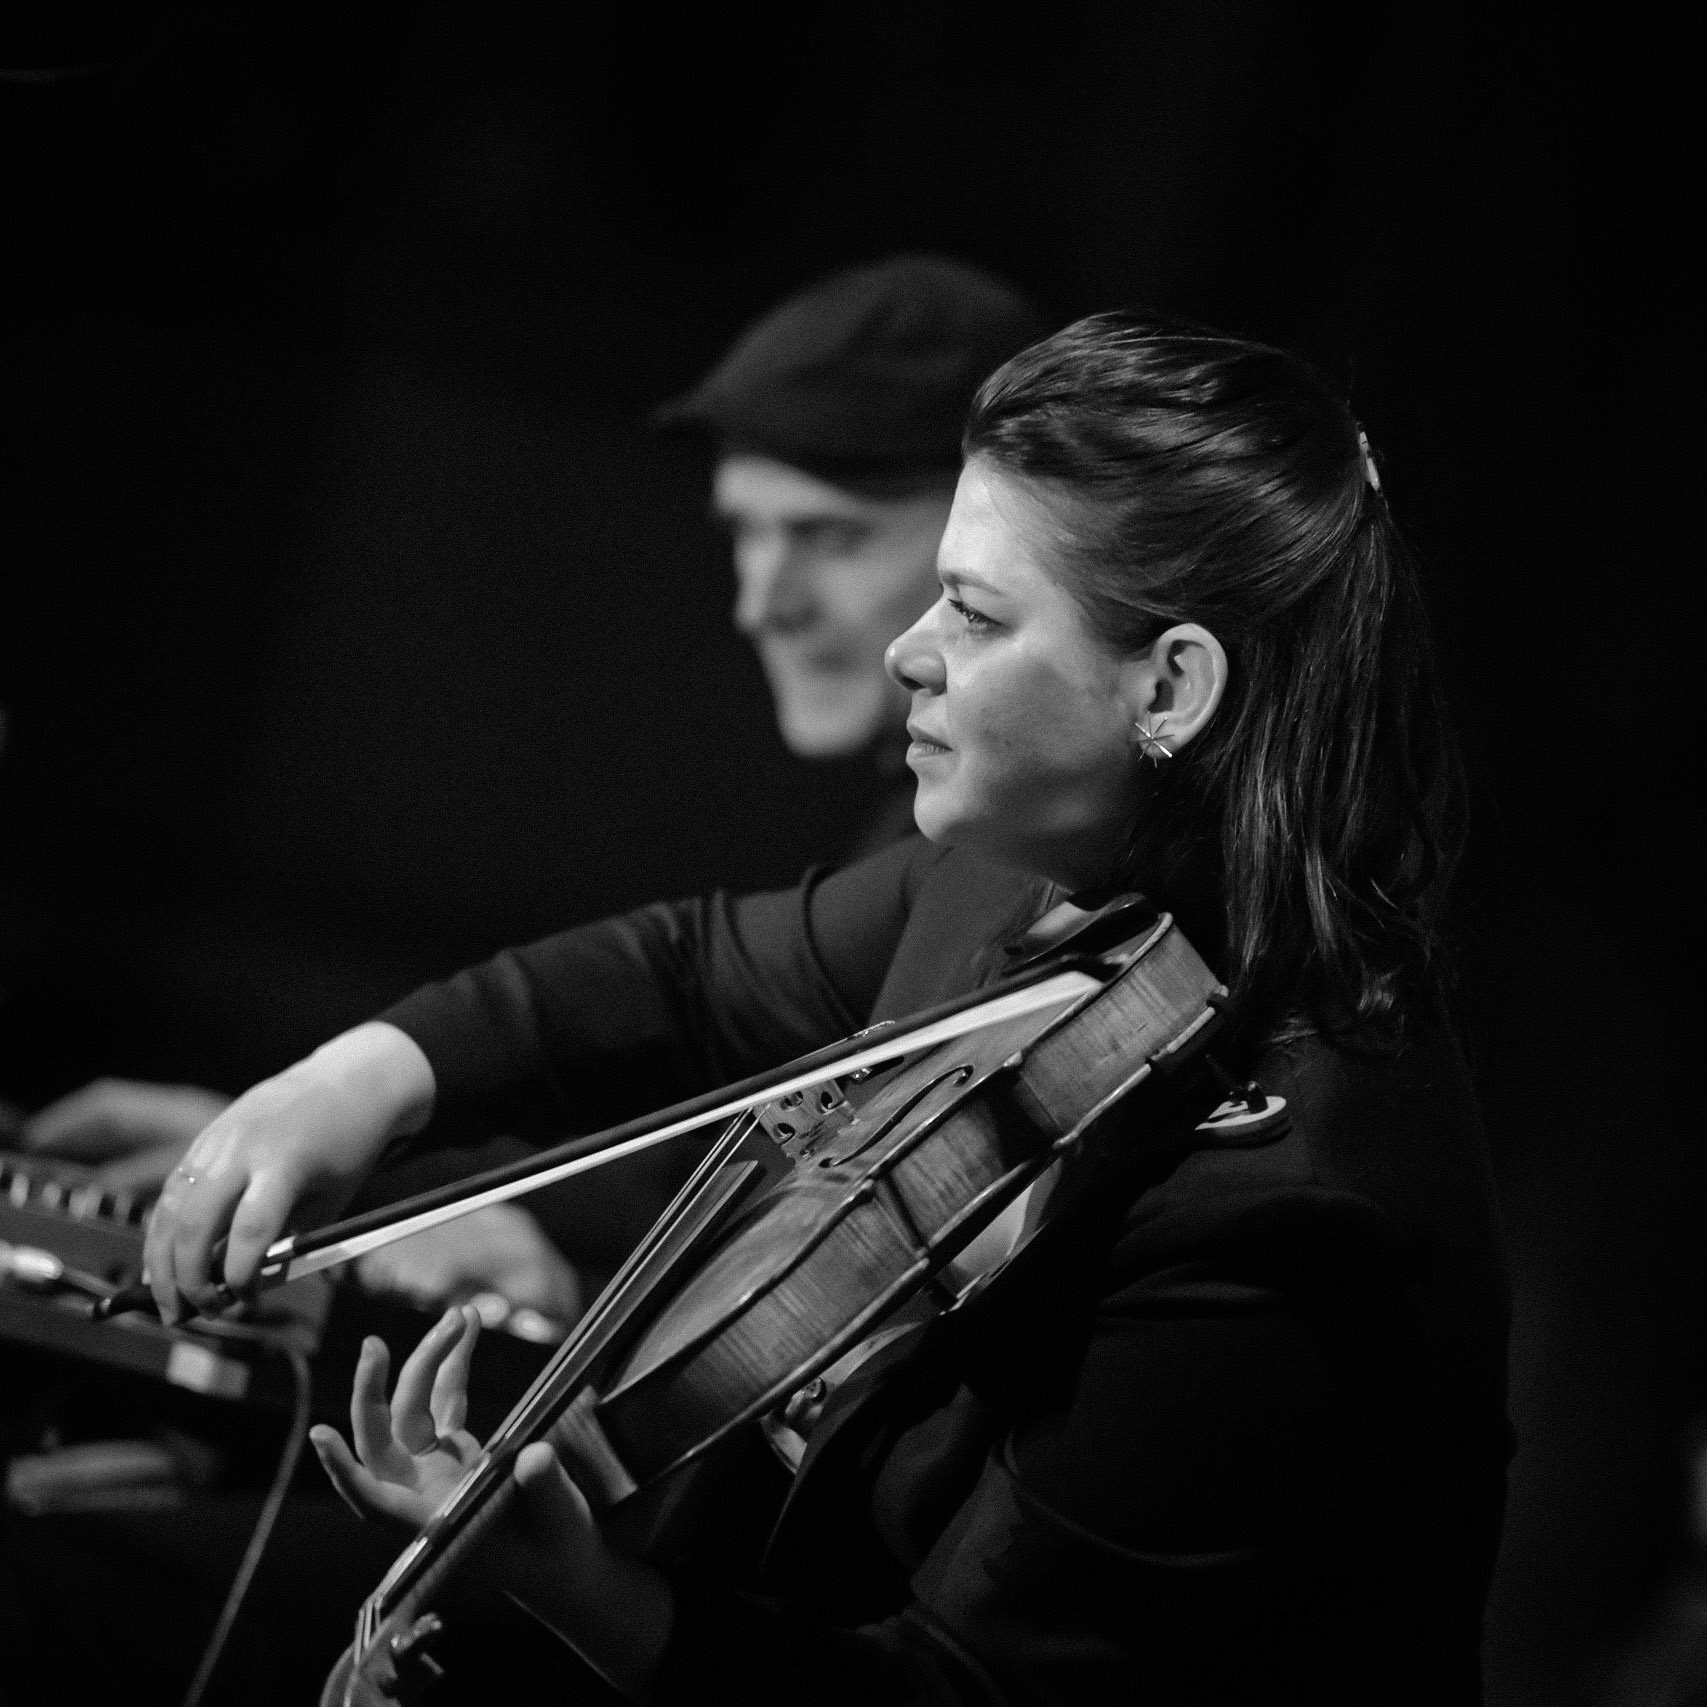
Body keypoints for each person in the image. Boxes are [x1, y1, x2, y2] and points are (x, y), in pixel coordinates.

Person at [139, 310, 1514, 1702]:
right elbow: (684, 971)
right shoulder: (1012, 885)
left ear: (1170, 686)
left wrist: (579, 1589)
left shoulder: (1292, 1215)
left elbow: (953, 1687)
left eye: (973, 614)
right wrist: (357, 1078)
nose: (908, 653)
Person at [13, 254, 1046, 1320]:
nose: (759, 602)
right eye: (744, 532)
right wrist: (326, 1147)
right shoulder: (919, 854)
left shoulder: (1006, 861)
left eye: (829, 537)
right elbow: (691, 1143)